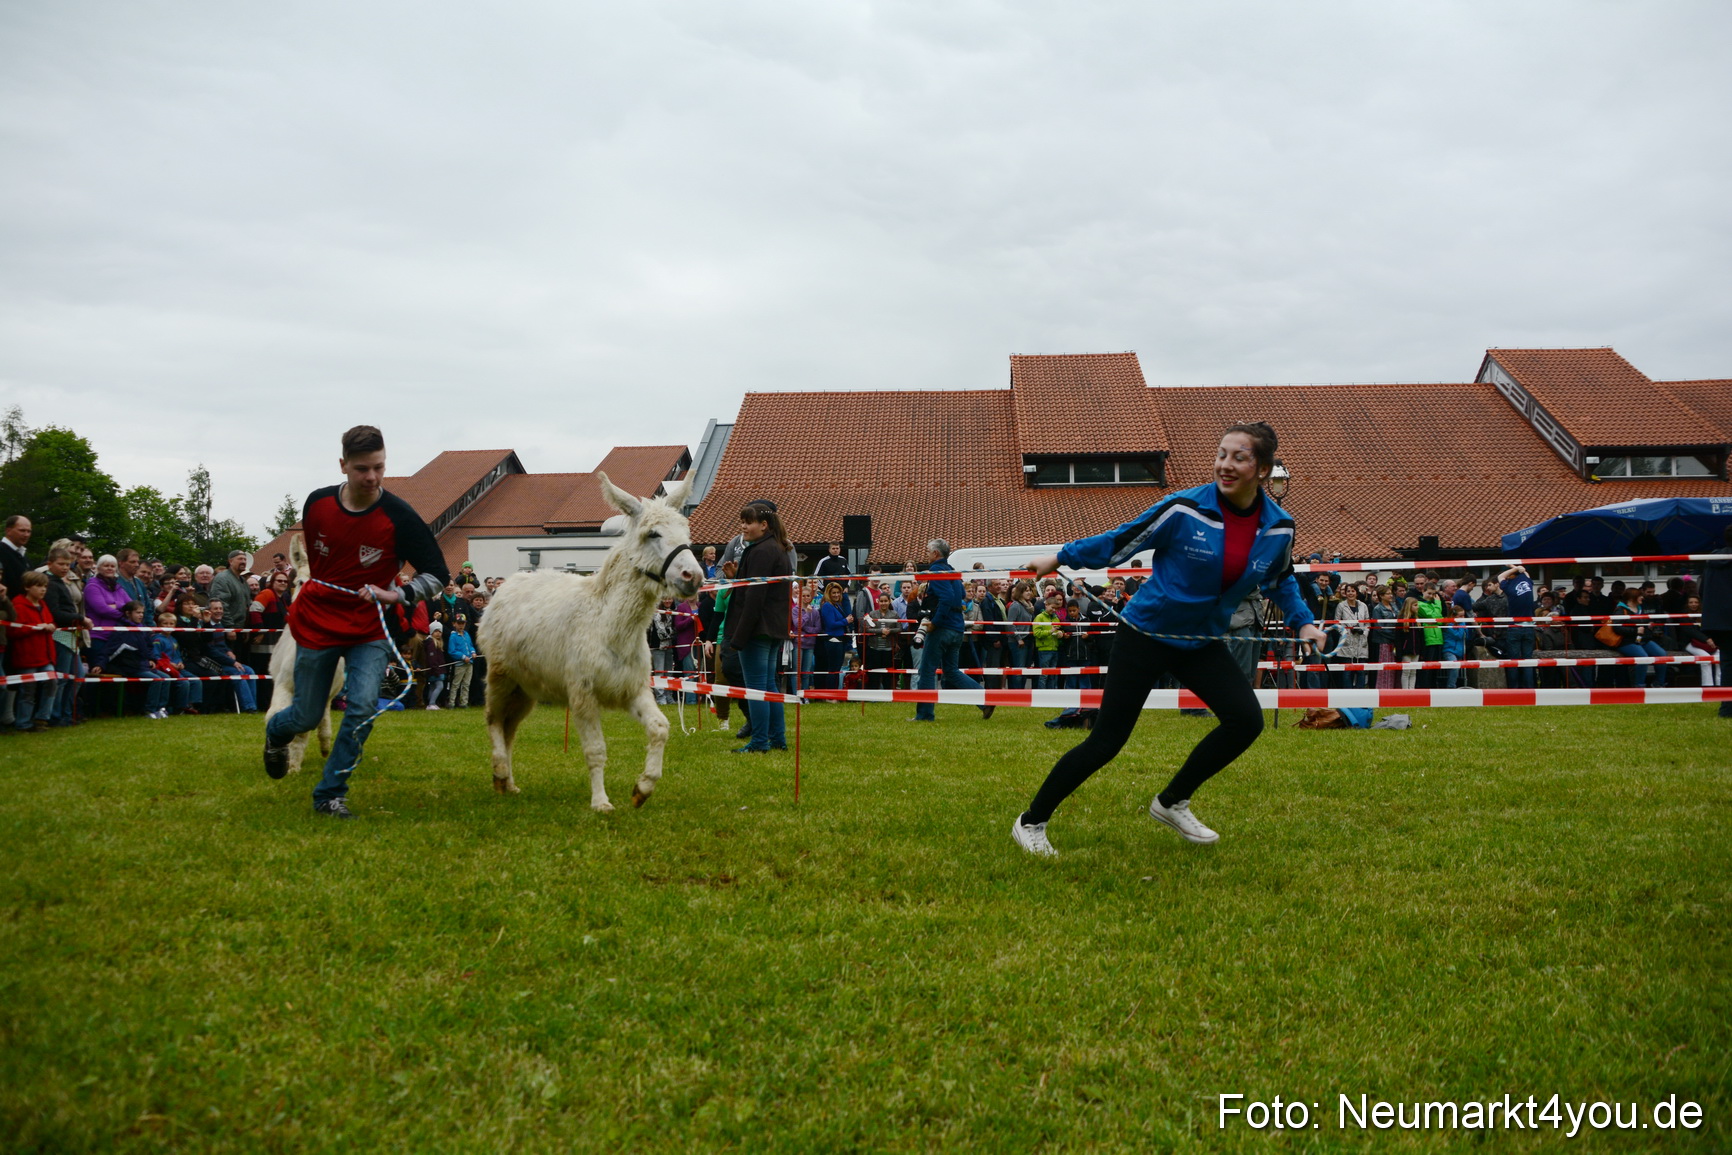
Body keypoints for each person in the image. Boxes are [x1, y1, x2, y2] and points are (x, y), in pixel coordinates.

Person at [1012, 422, 1323, 857]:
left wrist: (1304, 622)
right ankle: (1031, 822)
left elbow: (1280, 578)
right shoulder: (1184, 509)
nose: (1225, 465)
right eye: (1221, 454)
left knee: (1245, 721)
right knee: (1107, 742)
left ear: (1264, 470)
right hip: (1146, 634)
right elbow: (1122, 540)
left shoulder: (1278, 528)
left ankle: (1172, 801)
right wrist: (1061, 556)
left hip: (1200, 641)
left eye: (1239, 457)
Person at [262, 426, 449, 818]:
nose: (372, 477)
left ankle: (330, 793)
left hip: (369, 627)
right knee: (307, 715)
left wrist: (395, 593)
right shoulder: (316, 504)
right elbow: (320, 562)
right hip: (317, 622)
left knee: (362, 707)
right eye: (363, 469)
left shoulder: (399, 516)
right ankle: (276, 734)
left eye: (379, 467)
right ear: (343, 465)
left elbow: (437, 574)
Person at [723, 503, 792, 753]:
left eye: (748, 522)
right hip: (772, 629)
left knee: (756, 689)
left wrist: (739, 636)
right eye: (742, 521)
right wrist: (736, 579)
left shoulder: (761, 551)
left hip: (757, 630)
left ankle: (760, 741)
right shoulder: (777, 548)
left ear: (763, 525)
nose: (743, 526)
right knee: (769, 687)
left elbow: (755, 597)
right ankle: (777, 740)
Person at [910, 539, 992, 722]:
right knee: (951, 670)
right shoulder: (953, 572)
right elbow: (961, 595)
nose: (927, 555)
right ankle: (985, 699)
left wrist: (935, 623)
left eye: (929, 552)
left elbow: (946, 597)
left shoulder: (936, 571)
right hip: (957, 628)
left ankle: (924, 714)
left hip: (942, 628)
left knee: (927, 670)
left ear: (936, 554)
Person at [7, 570, 58, 732]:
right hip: (27, 655)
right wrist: (36, 629)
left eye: (45, 586)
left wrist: (50, 627)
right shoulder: (18, 606)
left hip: (46, 654)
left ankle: (42, 718)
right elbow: (13, 632)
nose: (43, 590)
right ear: (27, 587)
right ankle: (23, 722)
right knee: (28, 690)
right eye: (39, 586)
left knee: (52, 682)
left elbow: (50, 623)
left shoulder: (43, 605)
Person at [1705, 528, 1732, 717]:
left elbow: (1702, 590)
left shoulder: (1710, 561)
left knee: (1728, 664)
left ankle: (1727, 708)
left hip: (1717, 621)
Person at [1498, 565, 1537, 689]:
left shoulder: (1508, 586)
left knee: (1514, 661)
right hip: (1529, 627)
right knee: (1528, 661)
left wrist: (1513, 568)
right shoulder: (1528, 581)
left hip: (1515, 627)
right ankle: (1530, 689)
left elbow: (1500, 577)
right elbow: (1525, 571)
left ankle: (1514, 689)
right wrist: (1518, 567)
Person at [446, 616, 477, 706]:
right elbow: (452, 651)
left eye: (463, 623)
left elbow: (470, 645)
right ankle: (451, 702)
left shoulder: (466, 634)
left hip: (469, 663)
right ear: (454, 624)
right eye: (459, 623)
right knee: (456, 684)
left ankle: (464, 702)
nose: (461, 626)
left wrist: (473, 652)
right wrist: (463, 657)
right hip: (460, 664)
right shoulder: (453, 636)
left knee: (466, 684)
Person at [1, 515, 31, 597]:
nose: (26, 535)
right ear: (8, 531)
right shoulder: (1, 551)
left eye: (29, 531)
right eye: (22, 530)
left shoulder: (23, 555)